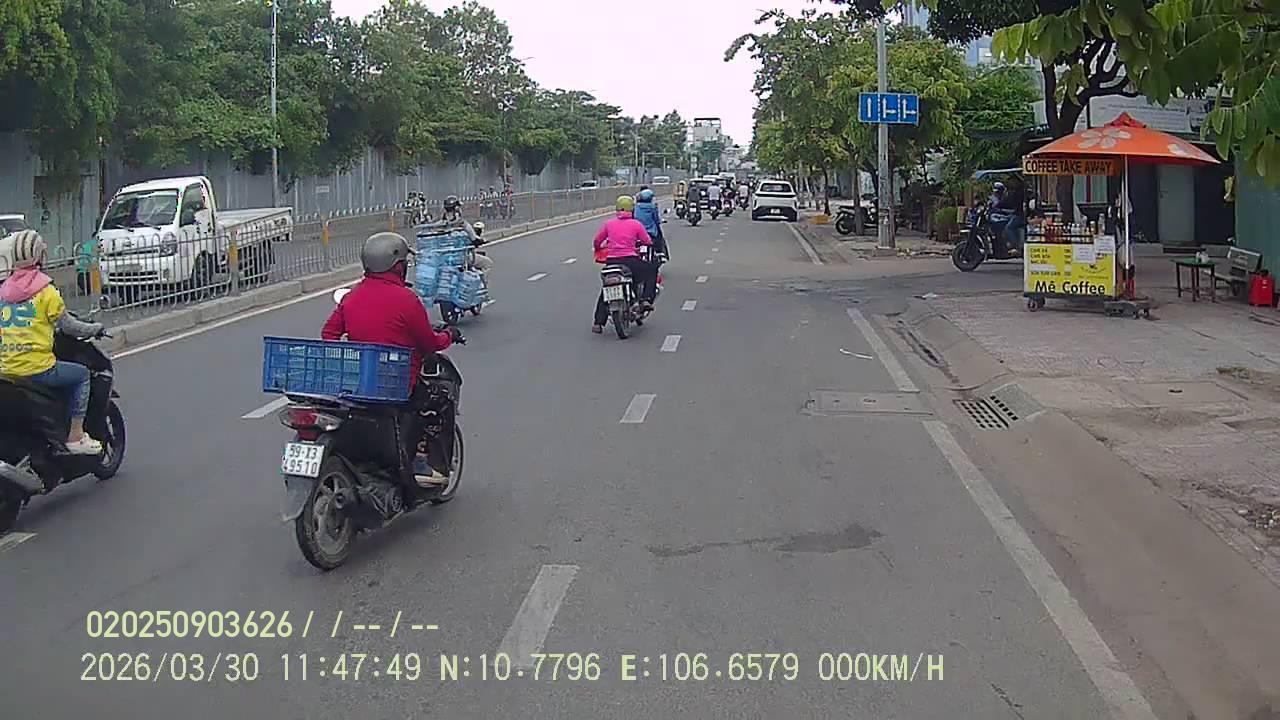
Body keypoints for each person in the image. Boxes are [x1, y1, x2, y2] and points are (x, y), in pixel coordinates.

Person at [322, 232, 463, 488]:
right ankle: (429, 466)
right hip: (396, 385)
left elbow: (329, 334)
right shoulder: (407, 300)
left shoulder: (352, 297)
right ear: (398, 266)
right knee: (440, 400)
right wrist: (449, 335)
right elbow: (430, 344)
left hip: (359, 383)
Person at [0, 230, 105, 454]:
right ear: (41, 256)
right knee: (81, 375)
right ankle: (76, 437)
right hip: (37, 369)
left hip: (6, 370)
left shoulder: (3, 292)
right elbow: (69, 326)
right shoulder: (46, 292)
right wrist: (94, 328)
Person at [591, 196, 655, 334]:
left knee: (606, 290)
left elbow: (597, 240)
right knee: (651, 270)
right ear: (632, 209)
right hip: (630, 260)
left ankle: (598, 323)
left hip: (612, 261)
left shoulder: (608, 224)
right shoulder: (636, 224)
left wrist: (598, 248)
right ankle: (646, 299)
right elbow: (647, 241)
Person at [441, 195, 492, 273]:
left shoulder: (439, 224)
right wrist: (480, 241)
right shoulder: (463, 224)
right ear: (456, 208)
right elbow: (474, 238)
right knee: (487, 263)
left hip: (442, 258)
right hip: (460, 257)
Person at [633, 189, 667, 261]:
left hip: (637, 232)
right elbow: (656, 219)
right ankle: (660, 253)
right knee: (660, 238)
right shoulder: (652, 207)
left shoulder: (636, 207)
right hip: (651, 232)